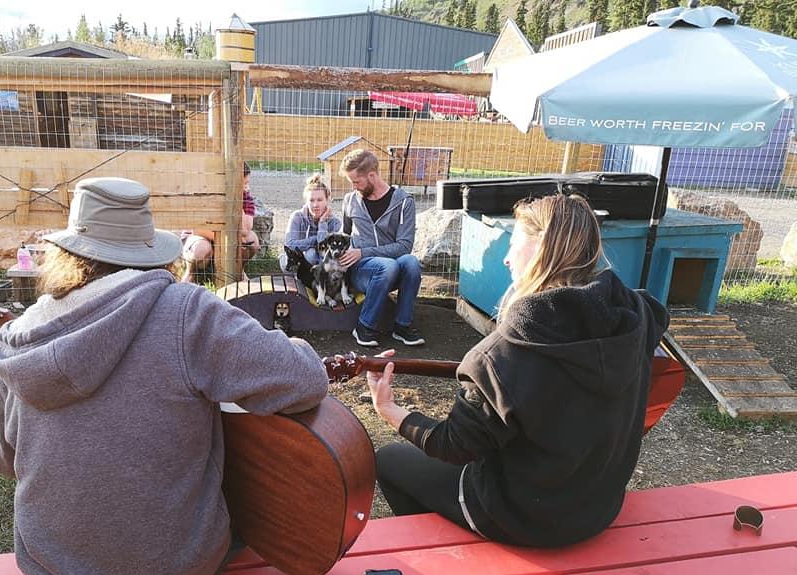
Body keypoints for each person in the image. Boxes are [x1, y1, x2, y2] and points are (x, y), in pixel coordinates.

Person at [0, 177, 328, 575]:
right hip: (176, 572)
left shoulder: (18, 336)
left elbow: (3, 461)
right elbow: (304, 379)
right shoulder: (186, 312)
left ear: (68, 252)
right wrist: (293, 345)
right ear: (148, 249)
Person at [365, 193, 669, 548]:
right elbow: (657, 314)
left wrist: (388, 409)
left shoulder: (505, 354)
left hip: (524, 520)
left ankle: (445, 556)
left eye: (514, 243)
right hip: (596, 507)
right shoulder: (636, 316)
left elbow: (453, 445)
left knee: (389, 460)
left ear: (543, 250)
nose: (507, 258)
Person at [339, 149, 424, 347]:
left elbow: (404, 246)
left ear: (372, 175)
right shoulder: (350, 200)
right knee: (387, 266)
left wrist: (363, 252)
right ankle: (364, 327)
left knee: (411, 262)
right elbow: (345, 235)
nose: (353, 187)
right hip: (362, 270)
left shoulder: (404, 202)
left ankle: (402, 327)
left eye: (356, 181)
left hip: (390, 267)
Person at [181, 161, 260, 283]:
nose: (247, 187)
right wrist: (227, 241)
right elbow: (198, 230)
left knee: (252, 240)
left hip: (228, 237)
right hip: (201, 237)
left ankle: (238, 273)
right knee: (201, 249)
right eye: (244, 184)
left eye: (247, 183)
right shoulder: (206, 193)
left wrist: (237, 199)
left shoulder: (246, 197)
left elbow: (245, 231)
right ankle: (190, 275)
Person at [280, 173, 343, 270]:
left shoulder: (335, 222)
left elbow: (325, 249)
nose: (315, 205)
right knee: (310, 255)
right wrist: (315, 239)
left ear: (327, 200)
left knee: (313, 256)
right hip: (300, 260)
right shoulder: (297, 216)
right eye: (311, 200)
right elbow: (290, 245)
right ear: (306, 201)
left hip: (323, 263)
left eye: (320, 200)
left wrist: (322, 222)